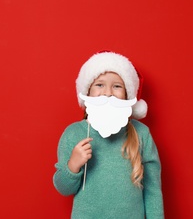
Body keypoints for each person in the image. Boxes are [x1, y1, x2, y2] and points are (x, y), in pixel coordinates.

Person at [53, 51, 164, 218]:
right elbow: (64, 188)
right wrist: (73, 165)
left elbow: (153, 189)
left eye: (117, 86)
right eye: (99, 85)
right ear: (87, 91)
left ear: (128, 94)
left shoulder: (141, 134)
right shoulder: (73, 134)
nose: (108, 93)